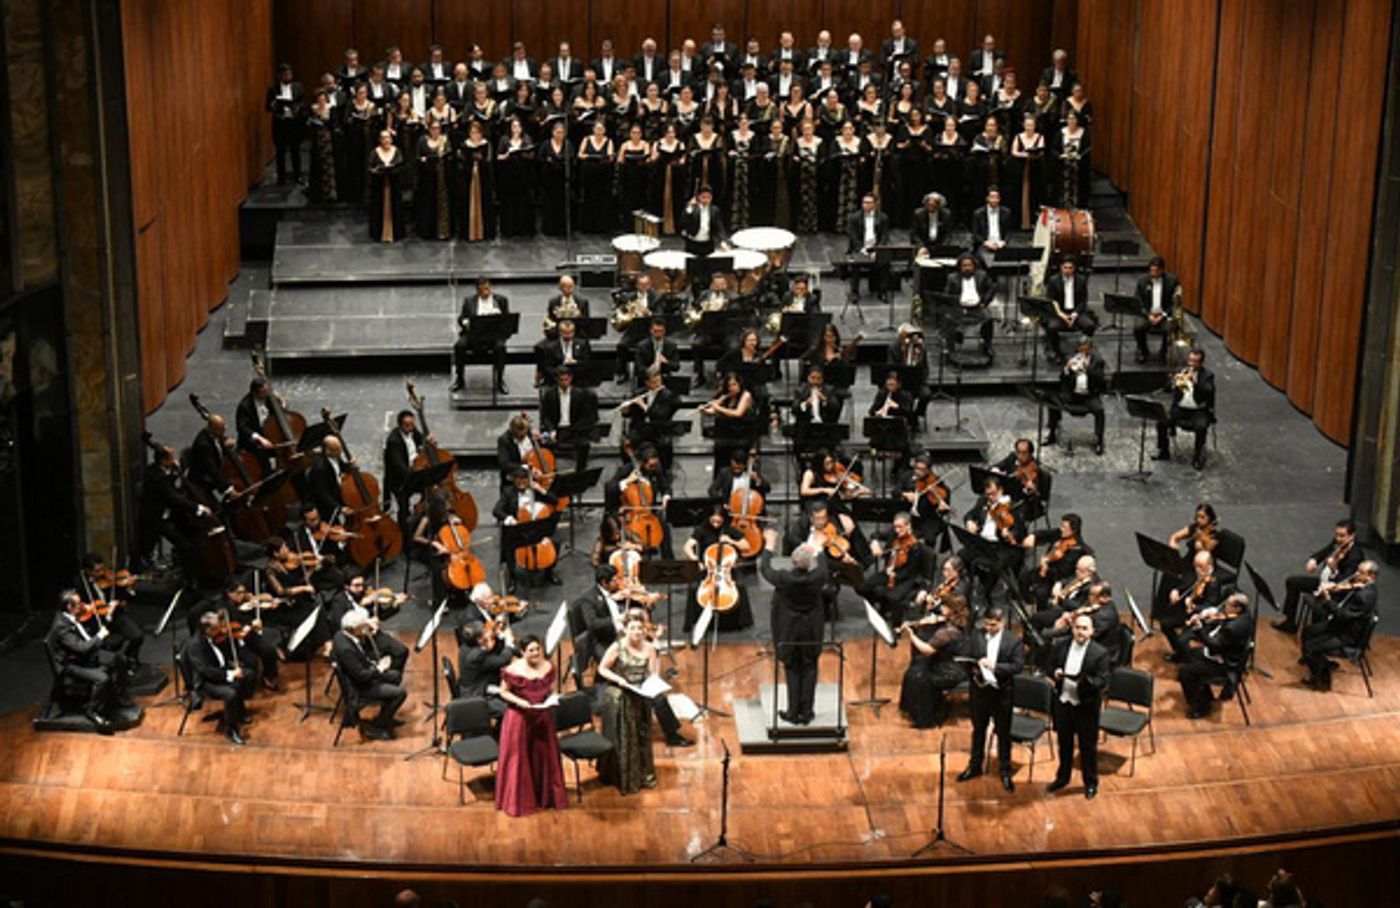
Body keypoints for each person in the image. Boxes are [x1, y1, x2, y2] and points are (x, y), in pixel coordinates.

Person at [494, 635, 569, 816]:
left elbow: (550, 689)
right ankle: (520, 801)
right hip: (520, 718)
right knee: (519, 760)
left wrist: (552, 698)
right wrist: (521, 702)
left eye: (538, 649)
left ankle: (545, 797)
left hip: (542, 717)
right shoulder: (513, 669)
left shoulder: (548, 666)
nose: (536, 653)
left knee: (545, 756)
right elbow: (503, 692)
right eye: (531, 650)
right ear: (522, 652)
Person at [761, 527, 828, 725]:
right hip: (811, 629)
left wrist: (769, 545)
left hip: (789, 629)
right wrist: (819, 545)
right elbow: (823, 563)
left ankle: (792, 713)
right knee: (809, 668)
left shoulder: (784, 578)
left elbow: (765, 569)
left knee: (791, 668)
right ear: (810, 565)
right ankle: (806, 712)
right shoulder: (818, 577)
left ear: (792, 562)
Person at [1044, 613, 1111, 799]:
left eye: (1084, 628)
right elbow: (1048, 665)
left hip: (1085, 707)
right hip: (1064, 703)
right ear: (1072, 628)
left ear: (1091, 631)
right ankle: (1062, 778)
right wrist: (1054, 672)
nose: (1080, 632)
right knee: (1064, 744)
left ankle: (1090, 782)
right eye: (1077, 628)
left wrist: (1085, 681)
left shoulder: (1100, 653)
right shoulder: (1061, 646)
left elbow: (1103, 681)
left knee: (1087, 747)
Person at [957, 605, 1024, 791]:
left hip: (1001, 693)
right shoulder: (976, 635)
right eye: (986, 624)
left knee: (1003, 733)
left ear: (1002, 622)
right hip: (979, 691)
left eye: (993, 625)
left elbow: (1017, 666)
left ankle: (1005, 770)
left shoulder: (1013, 641)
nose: (988, 628)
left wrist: (995, 667)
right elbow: (967, 656)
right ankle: (975, 765)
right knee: (978, 730)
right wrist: (971, 668)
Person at [596, 611, 661, 793]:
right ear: (625, 629)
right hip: (620, 694)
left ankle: (642, 775)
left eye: (640, 628)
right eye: (633, 628)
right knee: (624, 738)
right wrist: (618, 680)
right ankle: (622, 777)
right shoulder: (617, 647)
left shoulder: (650, 649)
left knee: (640, 735)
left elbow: (651, 673)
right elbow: (602, 668)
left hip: (639, 694)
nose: (637, 632)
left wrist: (652, 685)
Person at [47, 590, 130, 732]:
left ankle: (117, 696)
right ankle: (93, 711)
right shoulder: (62, 627)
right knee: (102, 678)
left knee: (120, 659)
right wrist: (99, 636)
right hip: (72, 664)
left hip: (83, 656)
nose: (83, 606)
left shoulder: (70, 615)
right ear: (69, 607)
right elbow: (82, 648)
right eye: (79, 604)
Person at [1274, 518, 1363, 633]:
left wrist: (1334, 569)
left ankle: (1316, 633)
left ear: (1352, 536)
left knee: (1318, 608)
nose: (1338, 539)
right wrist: (1314, 560)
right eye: (1336, 535)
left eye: (1342, 536)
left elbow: (1343, 581)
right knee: (1292, 582)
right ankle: (1289, 622)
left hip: (1334, 591)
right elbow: (1324, 551)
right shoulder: (1338, 542)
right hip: (1322, 582)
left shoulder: (1355, 555)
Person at [1300, 560, 1379, 690]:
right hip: (1342, 625)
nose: (1356, 574)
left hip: (1346, 635)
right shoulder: (1367, 587)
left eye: (1361, 572)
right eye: (1357, 570)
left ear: (1371, 577)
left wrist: (1328, 600)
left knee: (1310, 647)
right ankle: (1319, 663)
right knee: (1308, 631)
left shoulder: (1364, 596)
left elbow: (1342, 615)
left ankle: (1321, 675)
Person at [331, 609, 408, 740]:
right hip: (359, 688)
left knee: (395, 676)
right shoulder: (346, 649)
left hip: (363, 676)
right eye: (362, 626)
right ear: (352, 629)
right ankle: (375, 727)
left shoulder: (342, 634)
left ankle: (385, 716)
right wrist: (379, 668)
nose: (365, 628)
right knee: (401, 693)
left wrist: (374, 664)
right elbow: (361, 676)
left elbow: (359, 663)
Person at [183, 610, 256, 746]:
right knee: (231, 693)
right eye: (217, 627)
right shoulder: (195, 645)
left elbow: (218, 657)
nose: (222, 629)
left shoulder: (212, 637)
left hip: (218, 671)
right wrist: (230, 674)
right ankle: (231, 730)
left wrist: (231, 665)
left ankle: (238, 709)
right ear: (207, 629)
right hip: (205, 681)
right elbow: (206, 670)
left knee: (249, 674)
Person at [898, 593, 970, 729]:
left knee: (919, 677)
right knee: (915, 669)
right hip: (951, 661)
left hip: (951, 670)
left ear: (951, 609)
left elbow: (926, 650)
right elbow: (940, 619)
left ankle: (926, 719)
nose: (941, 607)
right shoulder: (959, 619)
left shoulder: (948, 632)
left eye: (944, 605)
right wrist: (928, 621)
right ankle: (914, 711)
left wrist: (911, 635)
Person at [1177, 591, 1252, 717]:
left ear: (1237, 608)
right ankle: (1205, 694)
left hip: (1224, 663)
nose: (1224, 607)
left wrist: (1199, 628)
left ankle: (1201, 707)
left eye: (1228, 605)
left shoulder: (1233, 628)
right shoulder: (1245, 616)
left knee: (1185, 671)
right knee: (1189, 654)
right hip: (1225, 652)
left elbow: (1214, 647)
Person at [1154, 347, 1215, 471]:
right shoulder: (1182, 371)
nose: (1191, 364)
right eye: (1190, 360)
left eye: (1194, 362)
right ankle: (1164, 451)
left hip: (1198, 411)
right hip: (1180, 409)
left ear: (1200, 363)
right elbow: (1167, 389)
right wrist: (1173, 382)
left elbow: (1208, 391)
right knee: (1161, 421)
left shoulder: (1207, 376)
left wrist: (1195, 382)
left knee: (1201, 427)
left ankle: (1197, 455)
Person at [1045, 336, 1107, 454]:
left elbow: (1101, 381)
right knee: (1052, 402)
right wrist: (1067, 369)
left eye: (1086, 348)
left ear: (1090, 349)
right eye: (1081, 348)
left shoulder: (1097, 361)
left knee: (1099, 410)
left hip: (1089, 395)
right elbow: (1062, 379)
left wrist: (1087, 369)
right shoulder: (1071, 358)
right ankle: (1052, 433)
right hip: (1072, 394)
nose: (1083, 350)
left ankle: (1099, 440)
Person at [451, 276, 511, 394]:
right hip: (474, 334)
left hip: (493, 335)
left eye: (487, 289)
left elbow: (508, 320)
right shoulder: (469, 301)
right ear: (477, 290)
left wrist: (500, 319)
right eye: (482, 290)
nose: (486, 292)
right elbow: (461, 318)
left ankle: (499, 380)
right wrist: (465, 322)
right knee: (459, 346)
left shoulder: (501, 300)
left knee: (500, 347)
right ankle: (459, 379)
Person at [1161, 550, 1224, 663]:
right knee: (1165, 624)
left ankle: (1191, 664)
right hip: (1189, 612)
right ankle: (1181, 653)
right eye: (1195, 565)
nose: (1197, 569)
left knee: (1182, 639)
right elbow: (1187, 582)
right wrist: (1176, 590)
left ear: (1209, 566)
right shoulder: (1198, 573)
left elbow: (1211, 605)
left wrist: (1194, 606)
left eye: (1200, 566)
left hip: (1202, 618)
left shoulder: (1214, 583)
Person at [539, 364, 598, 472]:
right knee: (543, 441)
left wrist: (573, 429)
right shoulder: (549, 395)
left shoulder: (580, 394)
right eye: (561, 380)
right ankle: (550, 468)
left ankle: (581, 469)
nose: (564, 383)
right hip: (556, 429)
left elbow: (585, 417)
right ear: (556, 380)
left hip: (574, 429)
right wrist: (551, 430)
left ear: (571, 378)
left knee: (584, 444)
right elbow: (545, 417)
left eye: (566, 379)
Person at [1041, 257, 1097, 362]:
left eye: (1070, 268)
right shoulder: (1053, 281)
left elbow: (1083, 301)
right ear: (1061, 268)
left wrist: (1075, 314)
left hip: (1075, 312)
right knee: (1052, 327)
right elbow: (1051, 301)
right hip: (1059, 312)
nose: (1067, 270)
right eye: (1065, 267)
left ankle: (1083, 347)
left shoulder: (1081, 280)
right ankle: (1055, 350)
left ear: (1074, 268)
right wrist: (1061, 314)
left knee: (1090, 325)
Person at [941, 253, 995, 358]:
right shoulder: (952, 278)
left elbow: (992, 288)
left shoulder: (982, 275)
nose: (967, 268)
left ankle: (987, 345)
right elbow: (947, 295)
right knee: (948, 318)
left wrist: (985, 302)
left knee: (988, 318)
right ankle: (949, 348)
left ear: (974, 266)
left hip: (977, 308)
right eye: (964, 266)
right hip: (959, 308)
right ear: (960, 267)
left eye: (969, 265)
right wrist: (953, 304)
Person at [1133, 257, 1180, 363]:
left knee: (1169, 328)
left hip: (1165, 314)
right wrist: (1148, 315)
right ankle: (1143, 350)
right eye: (1151, 270)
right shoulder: (1143, 281)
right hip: (1147, 314)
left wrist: (1162, 315)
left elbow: (1175, 303)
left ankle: (1163, 351)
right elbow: (1138, 300)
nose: (1153, 273)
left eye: (1156, 271)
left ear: (1162, 270)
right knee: (1138, 327)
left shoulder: (1172, 281)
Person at [845, 193, 890, 302]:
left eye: (869, 203)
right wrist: (862, 249)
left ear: (875, 204)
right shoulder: (854, 218)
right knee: (856, 264)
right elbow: (853, 236)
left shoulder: (883, 217)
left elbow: (884, 236)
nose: (866, 205)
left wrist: (878, 250)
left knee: (885, 263)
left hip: (875, 248)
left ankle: (882, 292)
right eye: (864, 202)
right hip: (860, 248)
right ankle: (854, 292)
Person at [266, 63, 305, 185]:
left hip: (294, 122)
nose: (288, 76)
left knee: (295, 150)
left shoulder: (297, 87)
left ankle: (297, 175)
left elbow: (302, 102)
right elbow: (267, 107)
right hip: (280, 123)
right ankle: (281, 178)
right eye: (285, 74)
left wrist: (297, 107)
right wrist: (273, 105)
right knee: (281, 151)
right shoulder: (273, 89)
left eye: (290, 74)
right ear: (280, 76)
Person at [367, 130, 406, 243]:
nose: (386, 140)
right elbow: (370, 167)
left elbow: (401, 165)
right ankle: (379, 233)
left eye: (388, 138)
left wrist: (393, 168)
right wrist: (375, 170)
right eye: (383, 138)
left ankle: (395, 233)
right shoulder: (375, 152)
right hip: (379, 185)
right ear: (379, 140)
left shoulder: (396, 151)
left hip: (393, 185)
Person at [681, 184, 729, 256]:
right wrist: (690, 207)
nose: (706, 200)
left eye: (708, 198)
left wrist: (723, 241)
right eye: (703, 197)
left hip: (708, 246)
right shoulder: (692, 208)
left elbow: (719, 228)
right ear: (699, 197)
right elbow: (683, 222)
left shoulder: (715, 210)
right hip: (693, 245)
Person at [970, 187, 1011, 267]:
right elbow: (975, 234)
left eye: (997, 197)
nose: (994, 200)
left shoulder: (1006, 212)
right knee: (986, 261)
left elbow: (1009, 231)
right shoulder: (978, 213)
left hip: (1001, 245)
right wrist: (986, 243)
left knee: (1008, 262)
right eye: (992, 197)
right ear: (987, 198)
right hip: (985, 245)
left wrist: (1003, 242)